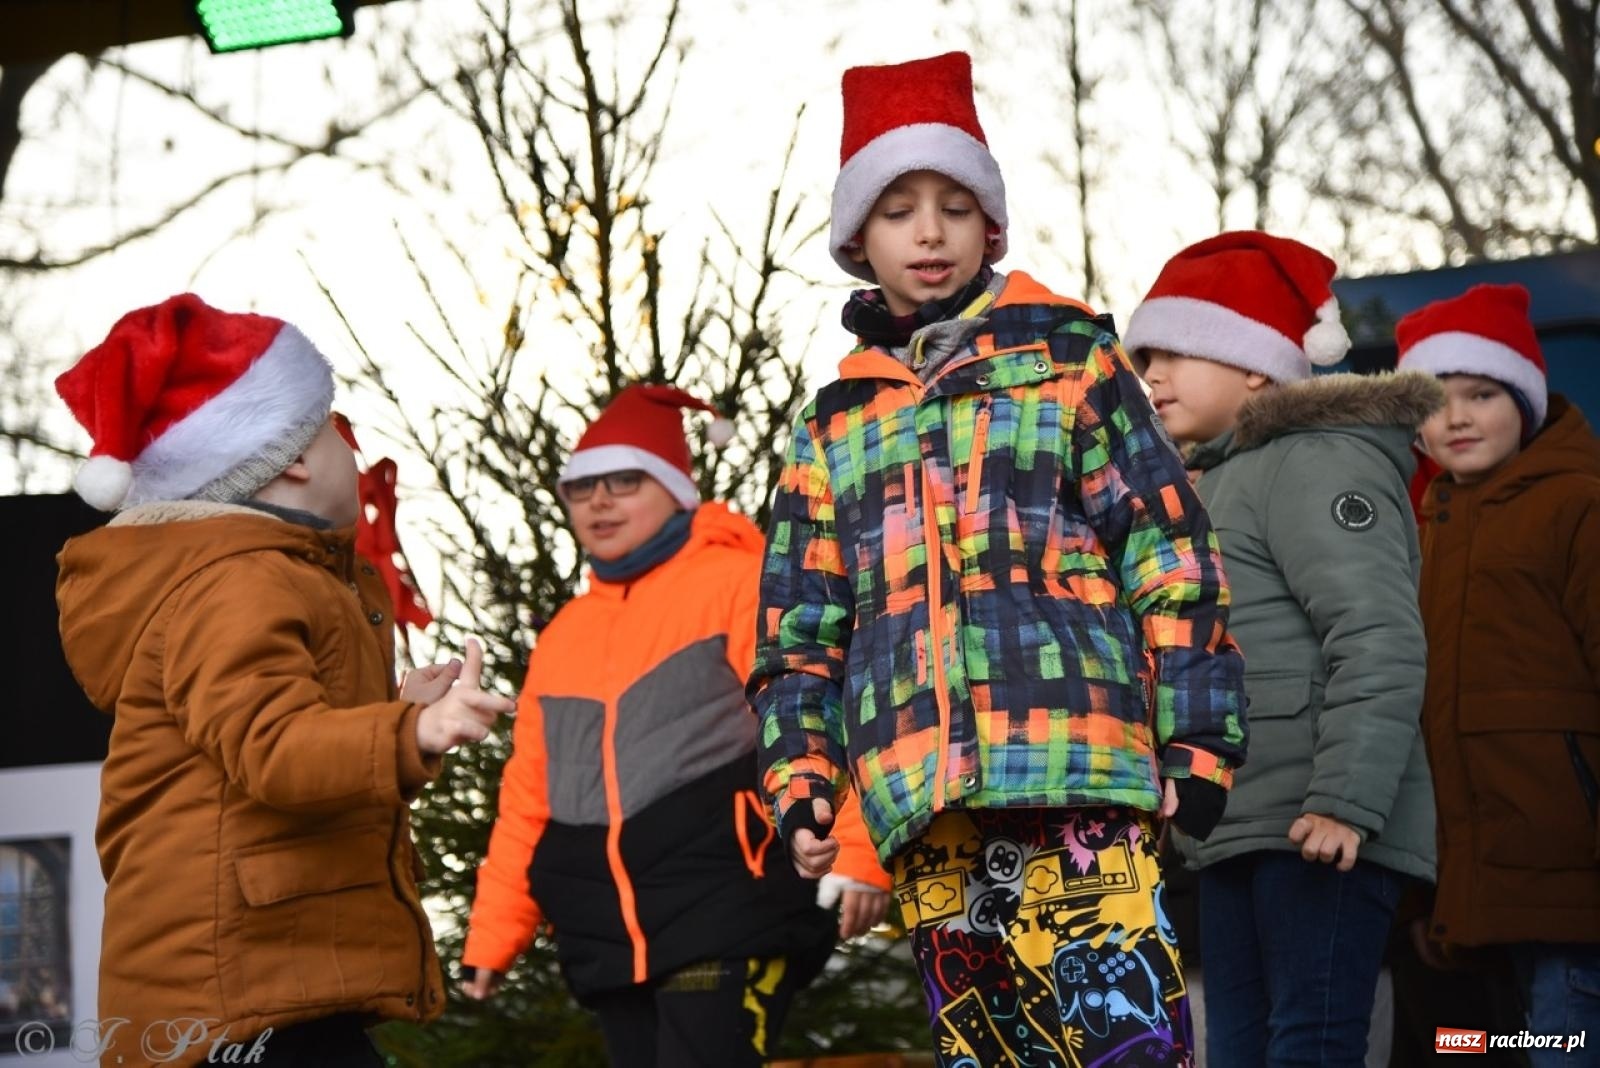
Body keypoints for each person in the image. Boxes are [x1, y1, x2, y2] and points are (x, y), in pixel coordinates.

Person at [747, 51, 1246, 1067]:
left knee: (1123, 1050)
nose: (927, 232)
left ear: (989, 226)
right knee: (993, 1054)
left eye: (952, 206)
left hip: (1078, 774)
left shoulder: (1072, 363)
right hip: (926, 802)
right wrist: (801, 777)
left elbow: (1170, 553)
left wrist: (1196, 744)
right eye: (897, 210)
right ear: (857, 238)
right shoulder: (836, 421)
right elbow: (802, 628)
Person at [52, 293, 513, 1068]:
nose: (352, 452)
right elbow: (273, 747)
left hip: (261, 977)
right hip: (238, 991)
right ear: (293, 456)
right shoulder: (238, 581)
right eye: (336, 428)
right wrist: (413, 732)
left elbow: (273, 742)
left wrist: (399, 714)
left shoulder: (265, 578)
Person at [460, 384, 891, 1068]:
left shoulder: (737, 580)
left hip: (736, 909)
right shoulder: (563, 635)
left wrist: (858, 852)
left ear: (675, 489)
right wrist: (493, 936)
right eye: (581, 488)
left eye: (624, 481)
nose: (600, 502)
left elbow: (820, 708)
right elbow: (528, 799)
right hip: (607, 942)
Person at [1125, 231, 1440, 1067]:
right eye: (1145, 352)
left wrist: (1344, 799)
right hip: (1236, 826)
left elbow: (1374, 632)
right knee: (1236, 1047)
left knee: (1312, 1042)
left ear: (1257, 365)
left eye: (1178, 350)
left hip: (1319, 824)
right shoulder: (1210, 481)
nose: (1150, 373)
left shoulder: (1316, 459)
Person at [1397, 283, 1600, 1064]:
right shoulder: (1420, 527)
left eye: (1480, 393)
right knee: (1476, 1050)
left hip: (1569, 887)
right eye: (1433, 398)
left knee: (1561, 1046)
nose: (1455, 417)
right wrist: (1420, 895)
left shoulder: (1577, 505)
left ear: (1526, 396)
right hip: (1463, 894)